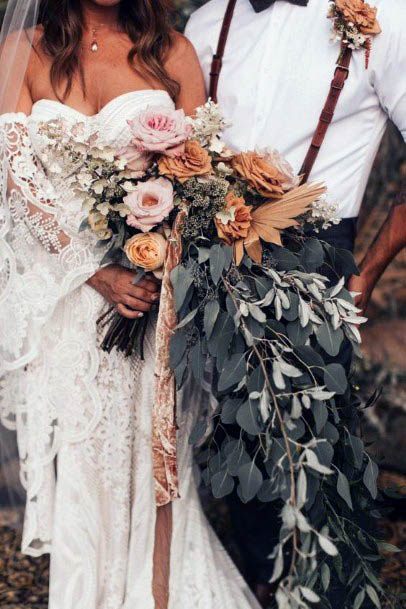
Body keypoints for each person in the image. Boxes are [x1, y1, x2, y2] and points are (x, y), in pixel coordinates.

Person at [0, 1, 262, 608]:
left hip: (153, 296)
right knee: (87, 466)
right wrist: (97, 271)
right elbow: (18, 183)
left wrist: (157, 256)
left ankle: (159, 592)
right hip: (70, 297)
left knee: (156, 454)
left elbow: (201, 181)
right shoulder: (26, 50)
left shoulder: (172, 51)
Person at [185, 0, 406, 604]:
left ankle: (328, 593)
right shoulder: (208, 22)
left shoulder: (385, 18)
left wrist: (363, 276)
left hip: (320, 257)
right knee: (236, 436)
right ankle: (263, 585)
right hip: (214, 261)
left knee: (314, 444)